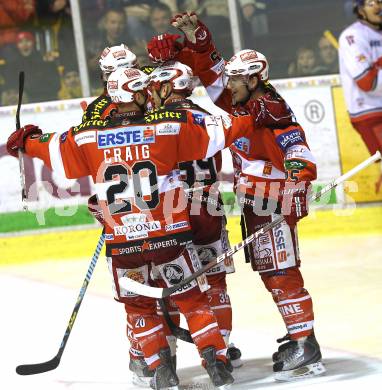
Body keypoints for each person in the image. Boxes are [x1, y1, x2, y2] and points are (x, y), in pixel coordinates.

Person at [6, 66, 257, 389]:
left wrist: (27, 140)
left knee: (139, 306)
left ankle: (161, 370)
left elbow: (49, 148)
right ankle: (215, 362)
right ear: (138, 95)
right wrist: (252, 114)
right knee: (192, 298)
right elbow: (222, 134)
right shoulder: (164, 128)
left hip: (124, 244)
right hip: (169, 237)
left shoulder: (86, 137)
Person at [146, 13, 326, 381]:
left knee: (281, 272)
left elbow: (300, 154)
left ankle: (305, 343)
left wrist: (295, 177)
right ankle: (298, 337)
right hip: (255, 203)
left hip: (272, 202)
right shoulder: (239, 102)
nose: (228, 85)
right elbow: (212, 73)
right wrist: (196, 37)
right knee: (271, 271)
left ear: (256, 79)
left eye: (237, 79)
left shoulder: (273, 113)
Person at [148, 60, 242, 368]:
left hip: (171, 210)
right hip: (208, 205)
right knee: (214, 281)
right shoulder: (209, 117)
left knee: (172, 284)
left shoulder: (153, 122)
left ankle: (168, 358)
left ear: (167, 87)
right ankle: (221, 352)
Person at [338, 0, 382, 193]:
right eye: (373, 2)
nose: (379, 6)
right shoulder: (352, 36)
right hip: (368, 114)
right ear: (360, 9)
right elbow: (366, 82)